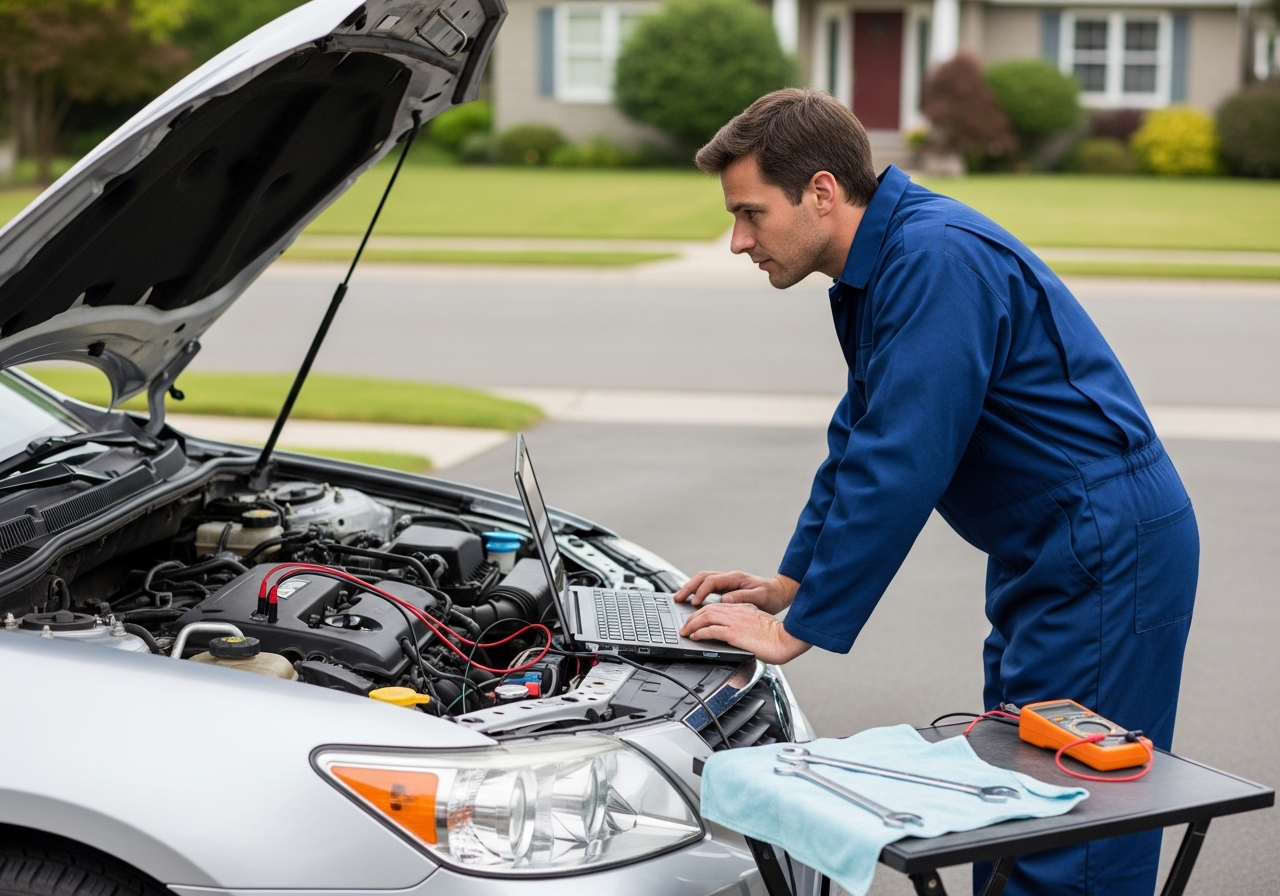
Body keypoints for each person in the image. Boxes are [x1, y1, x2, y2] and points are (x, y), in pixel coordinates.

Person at [674, 88, 1199, 896]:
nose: (739, 240)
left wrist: (796, 631)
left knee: (1071, 832)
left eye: (750, 213)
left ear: (821, 192)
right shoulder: (883, 264)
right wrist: (792, 583)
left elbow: (900, 458)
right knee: (1015, 798)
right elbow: (860, 437)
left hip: (1103, 548)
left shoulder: (934, 259)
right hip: (1052, 547)